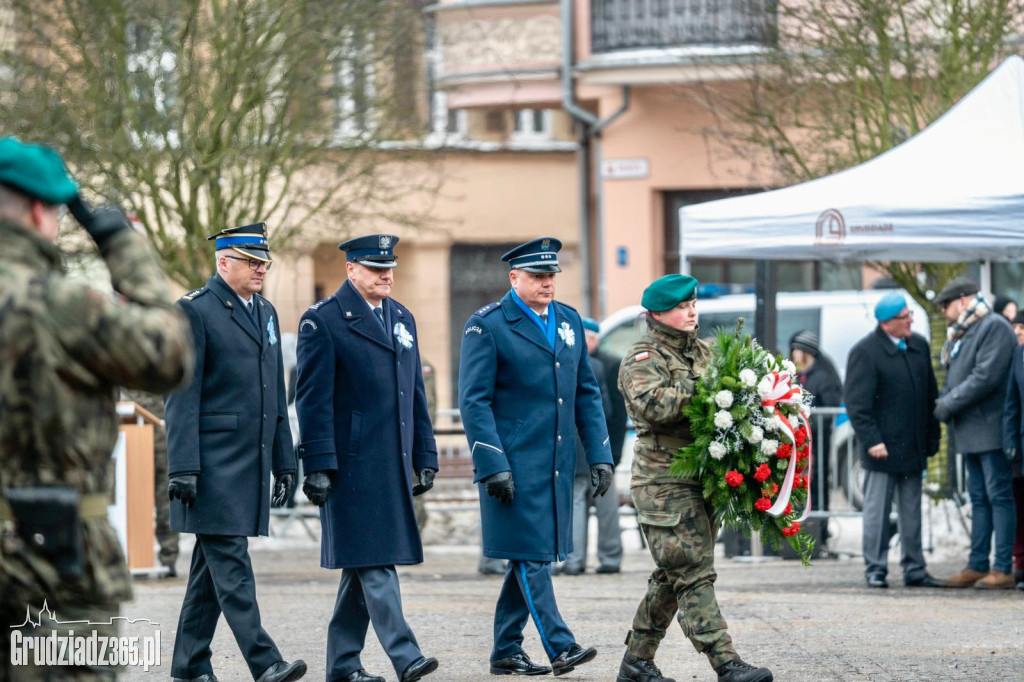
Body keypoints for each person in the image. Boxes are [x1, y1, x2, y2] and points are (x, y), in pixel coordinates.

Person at [0, 137, 192, 679]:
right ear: (41, 211)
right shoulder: (62, 304)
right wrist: (121, 244)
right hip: (56, 563)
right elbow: (170, 355)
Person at [459, 237, 613, 677]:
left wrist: (600, 454)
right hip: (513, 464)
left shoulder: (566, 320)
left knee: (531, 556)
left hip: (557, 465)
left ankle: (506, 650)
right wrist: (492, 464)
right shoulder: (487, 325)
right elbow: (474, 401)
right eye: (538, 276)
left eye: (551, 276)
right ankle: (560, 645)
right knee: (531, 557)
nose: (548, 283)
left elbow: (586, 392)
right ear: (514, 279)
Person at [165, 223, 306, 682]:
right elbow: (181, 394)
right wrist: (183, 466)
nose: (261, 268)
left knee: (209, 576)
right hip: (211, 465)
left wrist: (285, 460)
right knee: (232, 567)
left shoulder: (265, 311)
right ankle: (265, 663)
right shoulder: (194, 311)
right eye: (252, 261)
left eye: (264, 261)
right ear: (223, 262)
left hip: (249, 463)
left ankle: (189, 667)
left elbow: (275, 394)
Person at [296, 234, 439, 682]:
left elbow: (413, 393)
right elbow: (311, 400)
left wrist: (424, 454)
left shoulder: (401, 317)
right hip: (350, 466)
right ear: (351, 270)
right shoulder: (323, 321)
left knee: (361, 566)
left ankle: (342, 667)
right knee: (375, 560)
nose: (386, 276)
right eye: (376, 268)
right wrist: (317, 465)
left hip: (391, 460)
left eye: (389, 267)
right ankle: (405, 654)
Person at [617, 274, 772, 682]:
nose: (691, 312)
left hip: (704, 477)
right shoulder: (643, 358)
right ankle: (726, 662)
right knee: (692, 571)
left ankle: (636, 662)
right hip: (663, 481)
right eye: (681, 306)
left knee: (676, 573)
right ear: (657, 313)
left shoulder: (704, 353)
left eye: (693, 304)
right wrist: (712, 398)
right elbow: (654, 404)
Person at [842, 292, 944, 589]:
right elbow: (857, 404)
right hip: (882, 449)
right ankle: (875, 567)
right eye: (904, 316)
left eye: (910, 314)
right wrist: (872, 440)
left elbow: (929, 396)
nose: (911, 320)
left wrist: (932, 436)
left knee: (912, 510)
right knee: (877, 511)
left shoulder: (918, 346)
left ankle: (915, 568)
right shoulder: (866, 351)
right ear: (887, 324)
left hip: (912, 446)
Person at [933, 277, 1018, 589]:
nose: (944, 311)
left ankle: (1002, 567)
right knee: (980, 498)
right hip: (972, 428)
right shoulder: (967, 330)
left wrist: (949, 403)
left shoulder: (993, 326)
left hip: (990, 427)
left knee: (998, 497)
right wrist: (945, 400)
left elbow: (985, 376)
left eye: (947, 304)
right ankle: (978, 564)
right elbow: (958, 375)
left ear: (964, 300)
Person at [562, 318, 623, 575]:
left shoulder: (561, 363)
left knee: (576, 502)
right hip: (599, 445)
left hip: (573, 449)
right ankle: (610, 557)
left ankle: (574, 561)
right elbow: (611, 413)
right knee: (605, 501)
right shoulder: (601, 365)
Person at [788, 330, 843, 548]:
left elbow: (830, 406)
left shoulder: (824, 374)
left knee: (818, 483)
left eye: (796, 350)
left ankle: (819, 530)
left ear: (806, 352)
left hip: (817, 440)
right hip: (800, 440)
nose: (793, 354)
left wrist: (808, 425)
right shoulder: (800, 373)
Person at [120, 387, 179, 576]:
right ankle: (135, 557)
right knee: (131, 496)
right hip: (129, 427)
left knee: (166, 497)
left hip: (162, 430)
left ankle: (168, 559)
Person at [1000, 310, 1024, 590]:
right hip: (1020, 444)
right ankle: (1021, 563)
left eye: (1021, 327)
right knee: (1020, 504)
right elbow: (1011, 403)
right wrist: (1009, 440)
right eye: (1015, 327)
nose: (1017, 332)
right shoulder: (1018, 356)